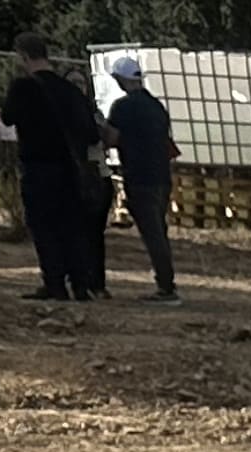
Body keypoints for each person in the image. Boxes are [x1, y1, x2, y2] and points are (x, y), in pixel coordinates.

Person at [0, 33, 105, 302]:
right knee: (72, 226)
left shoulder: (23, 87)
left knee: (44, 226)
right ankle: (81, 284)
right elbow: (91, 133)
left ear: (23, 56)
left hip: (38, 165)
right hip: (71, 169)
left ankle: (54, 283)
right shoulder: (69, 90)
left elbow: (7, 118)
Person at [103, 53, 179, 301]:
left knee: (152, 233)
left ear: (120, 79)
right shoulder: (156, 106)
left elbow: (111, 139)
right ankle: (166, 282)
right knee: (159, 229)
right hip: (161, 176)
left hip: (138, 175)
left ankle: (166, 287)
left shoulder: (122, 107)